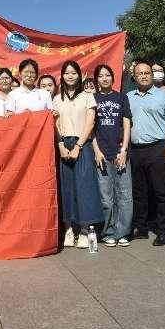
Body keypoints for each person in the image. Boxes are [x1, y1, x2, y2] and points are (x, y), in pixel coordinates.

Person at [126, 59, 165, 246]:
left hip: (158, 147)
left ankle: (163, 230)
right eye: (139, 73)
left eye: (146, 73)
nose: (143, 76)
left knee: (161, 191)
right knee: (139, 191)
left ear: (152, 75)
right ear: (134, 76)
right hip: (136, 150)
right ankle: (141, 227)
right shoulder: (128, 96)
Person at [53, 61, 103, 248]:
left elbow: (90, 123)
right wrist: (60, 145)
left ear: (79, 75)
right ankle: (68, 229)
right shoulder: (56, 99)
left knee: (85, 188)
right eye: (66, 73)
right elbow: (55, 124)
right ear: (62, 76)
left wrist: (78, 146)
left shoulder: (88, 97)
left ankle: (84, 230)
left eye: (73, 73)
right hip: (64, 144)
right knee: (66, 188)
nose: (70, 76)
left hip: (83, 144)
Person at [91, 64, 132, 247]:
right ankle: (108, 231)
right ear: (96, 80)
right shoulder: (92, 98)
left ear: (113, 78)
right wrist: (97, 151)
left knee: (124, 195)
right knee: (106, 197)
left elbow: (127, 124)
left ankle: (122, 232)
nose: (105, 78)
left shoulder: (121, 97)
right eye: (101, 76)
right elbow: (90, 128)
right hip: (102, 154)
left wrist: (124, 151)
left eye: (107, 75)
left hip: (120, 153)